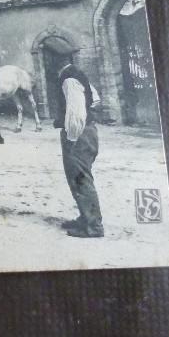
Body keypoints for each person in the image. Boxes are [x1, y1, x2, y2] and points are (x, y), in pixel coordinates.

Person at [53, 62, 103, 238]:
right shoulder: (78, 74)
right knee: (77, 179)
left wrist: (72, 138)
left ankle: (93, 226)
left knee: (81, 179)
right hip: (87, 132)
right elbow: (95, 99)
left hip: (79, 135)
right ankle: (85, 218)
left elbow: (76, 112)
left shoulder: (69, 80)